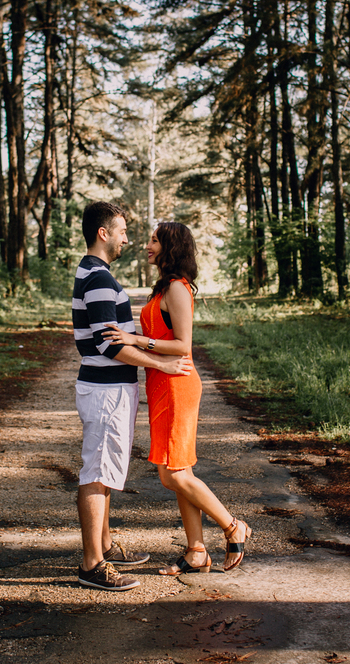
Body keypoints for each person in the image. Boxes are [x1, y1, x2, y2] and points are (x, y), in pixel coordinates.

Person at [103, 221, 251, 576]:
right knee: (178, 470)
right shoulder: (164, 287)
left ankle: (233, 526)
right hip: (161, 383)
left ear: (171, 247)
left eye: (155, 240)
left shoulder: (179, 289)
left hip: (177, 384)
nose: (147, 245)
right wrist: (141, 341)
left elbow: (183, 345)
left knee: (172, 474)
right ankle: (196, 550)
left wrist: (136, 340)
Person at [72, 202, 194, 591]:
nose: (129, 239)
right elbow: (110, 346)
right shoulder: (100, 280)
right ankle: (93, 564)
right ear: (103, 233)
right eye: (122, 230)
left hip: (109, 389)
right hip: (106, 390)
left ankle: (104, 546)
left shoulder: (94, 273)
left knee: (105, 472)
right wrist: (160, 365)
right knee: (97, 473)